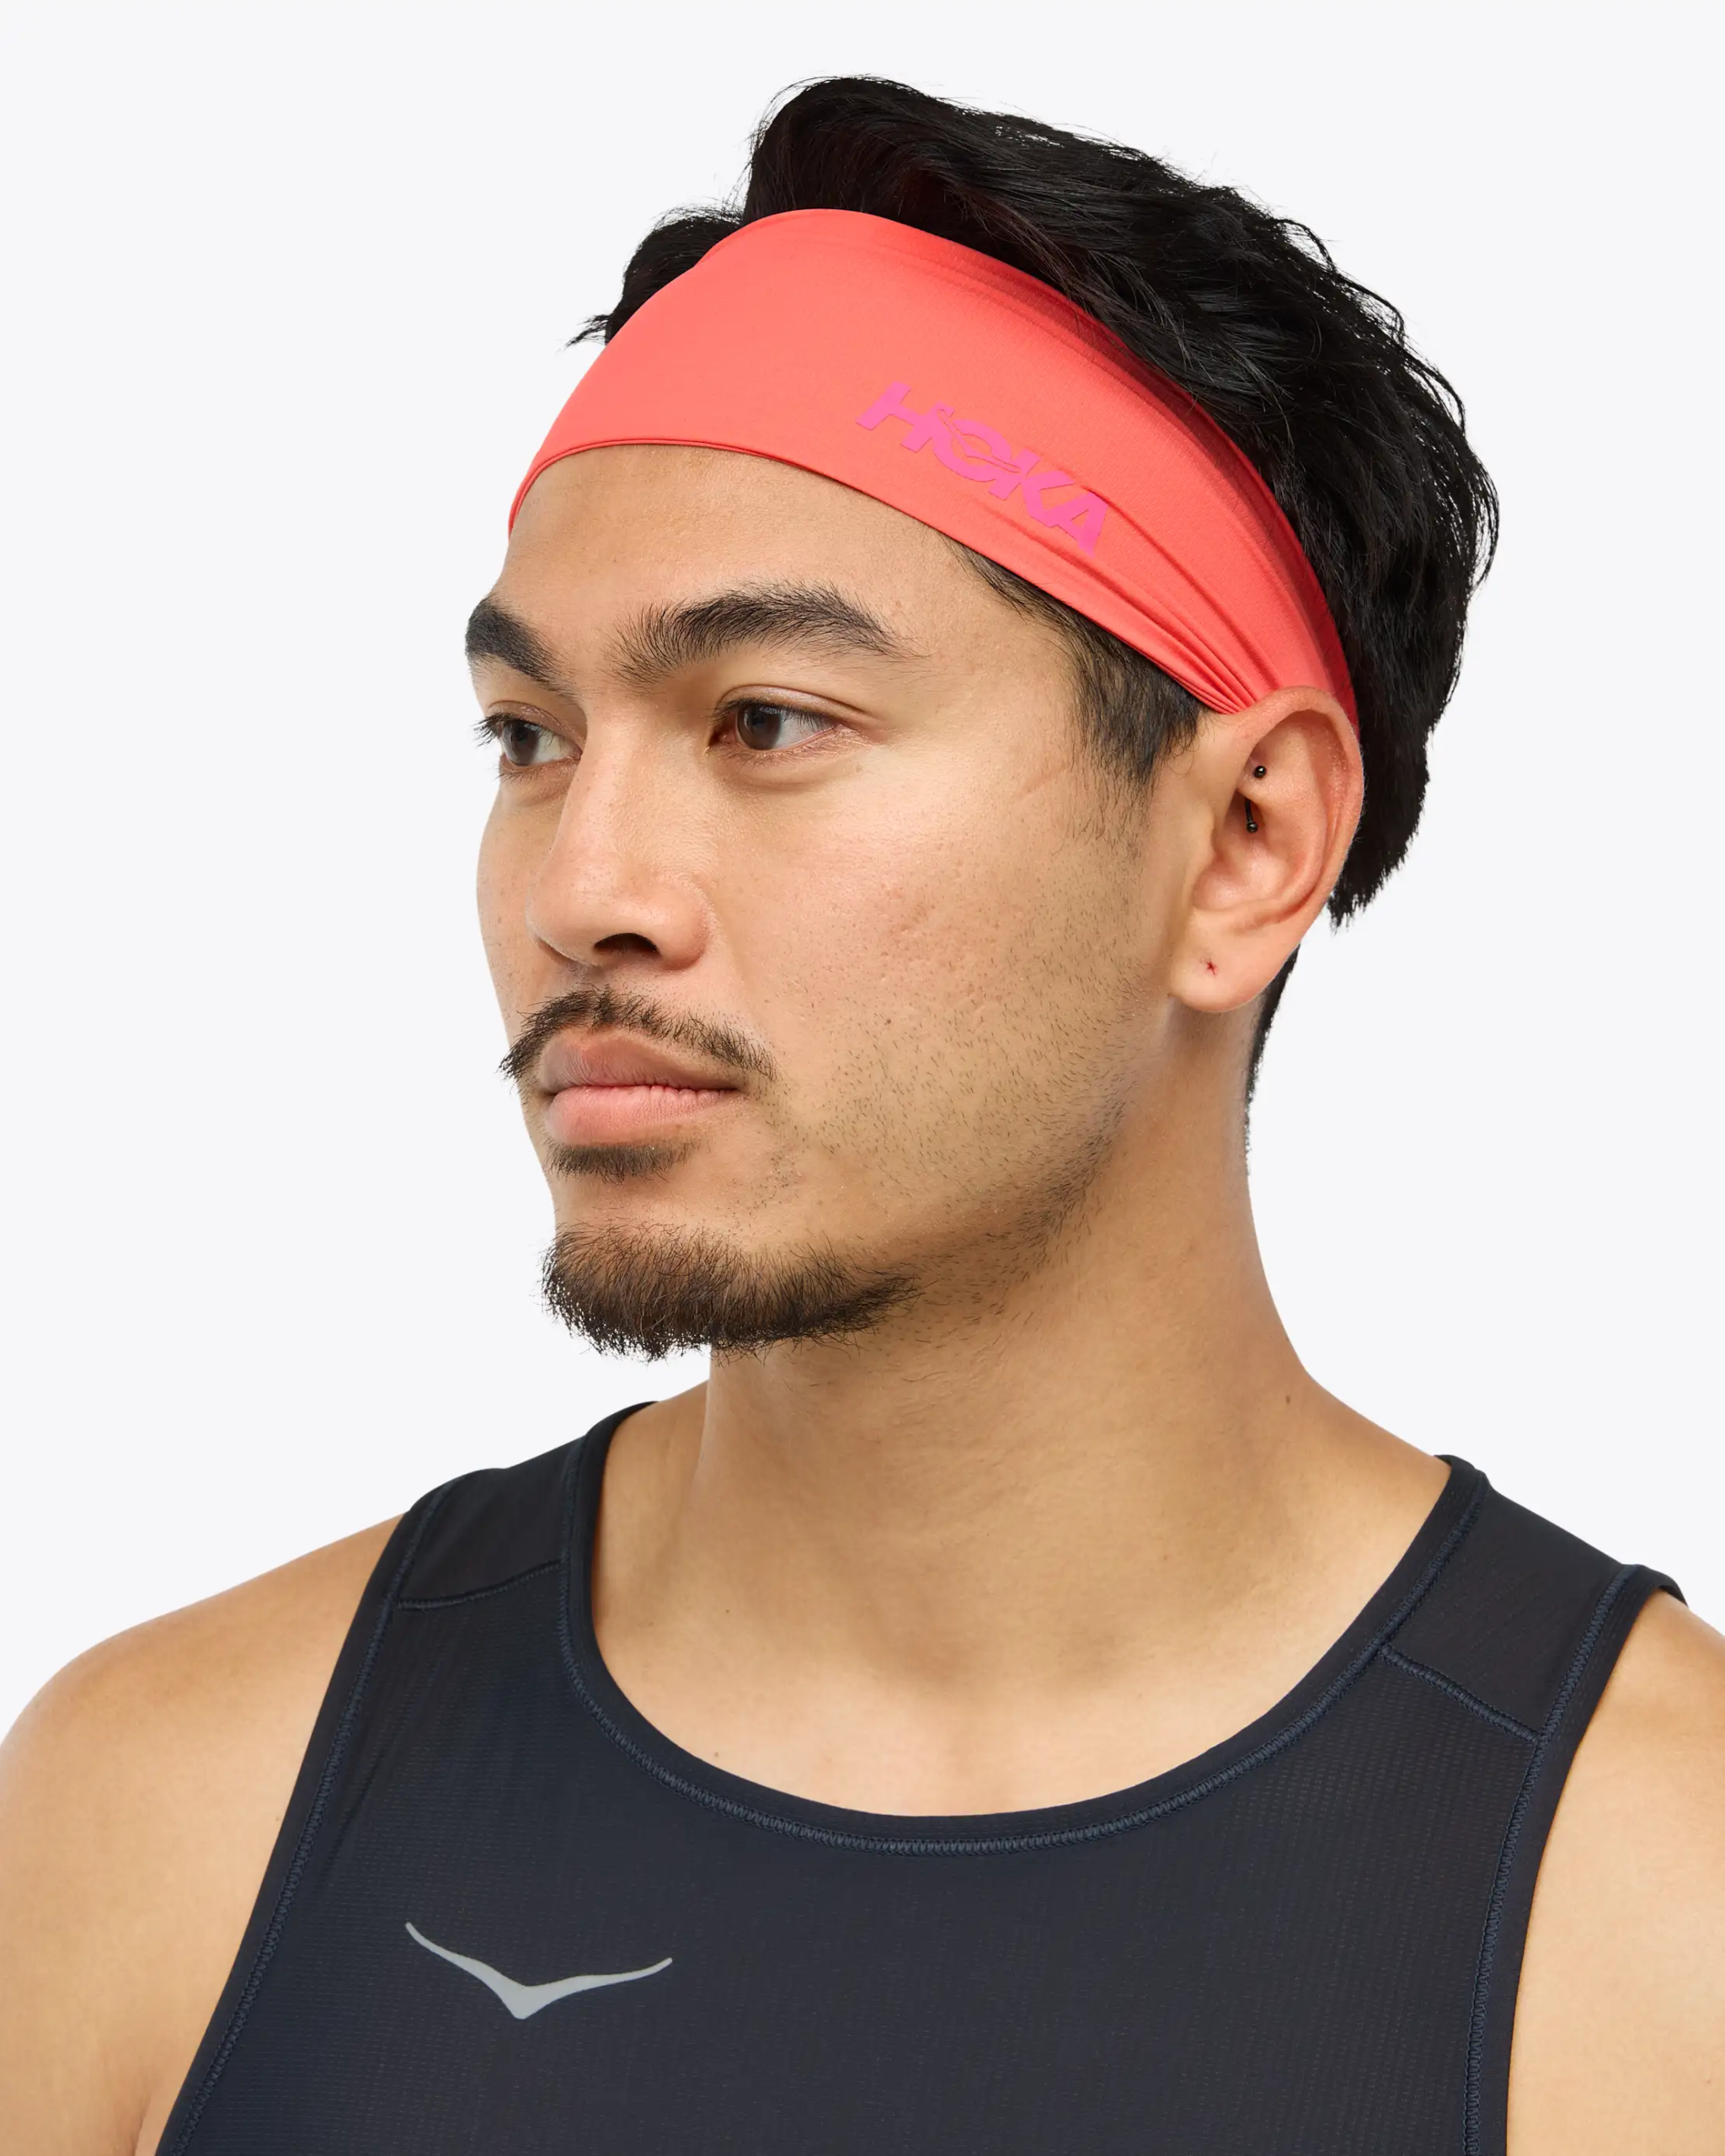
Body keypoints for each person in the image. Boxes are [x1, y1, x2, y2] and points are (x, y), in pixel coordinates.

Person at [3, 74, 1721, 2156]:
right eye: (530, 735)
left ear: (1243, 842)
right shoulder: (165, 1817)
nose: (580, 889)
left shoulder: (1665, 1913)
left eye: (767, 720)